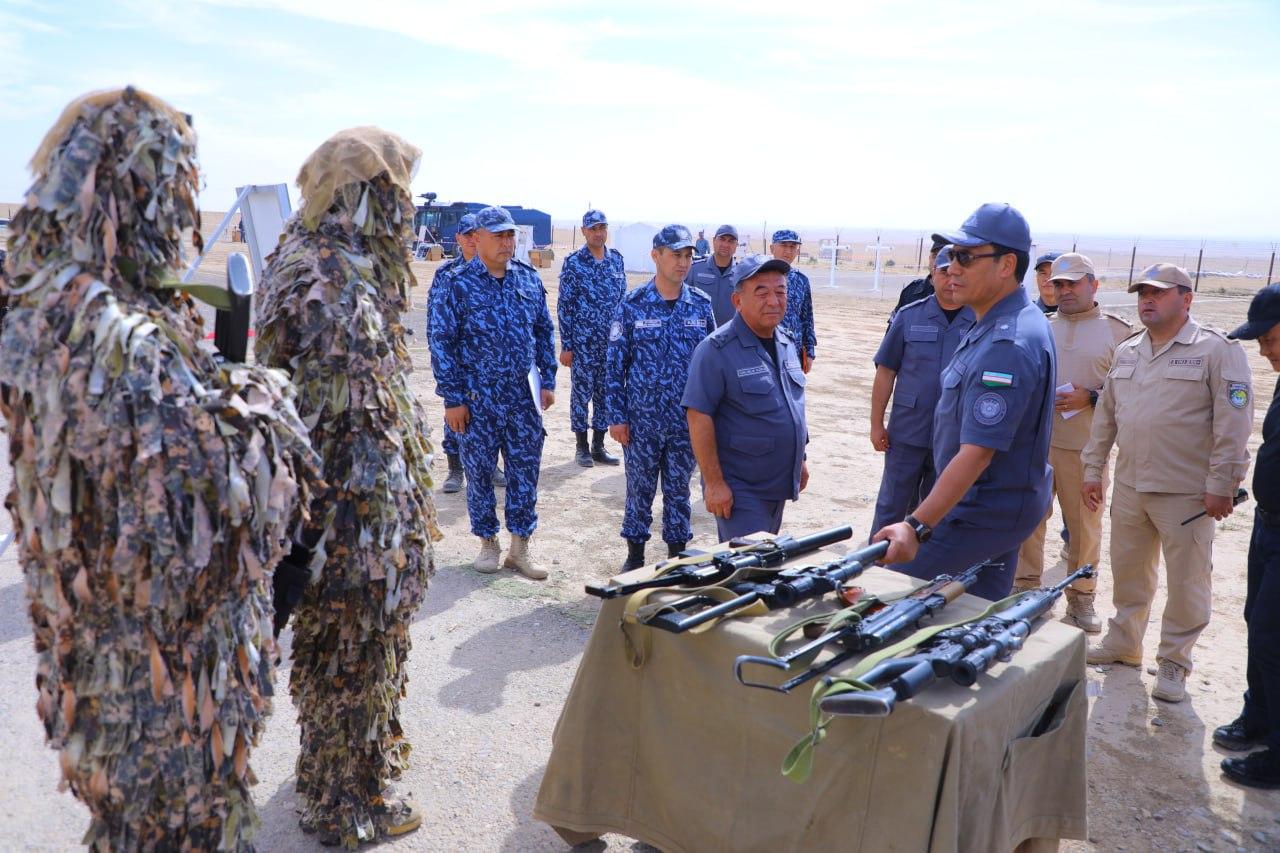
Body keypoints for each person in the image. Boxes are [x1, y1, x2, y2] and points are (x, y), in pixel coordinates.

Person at [0, 87, 321, 850]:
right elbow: (219, 492)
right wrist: (265, 397)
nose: (183, 212)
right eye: (177, 190)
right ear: (136, 188)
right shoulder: (102, 323)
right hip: (159, 695)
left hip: (118, 673)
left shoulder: (44, 305)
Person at [256, 126, 440, 846]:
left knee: (331, 653)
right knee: (356, 660)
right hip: (353, 521)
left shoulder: (301, 256)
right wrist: (361, 536)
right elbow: (349, 424)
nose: (410, 211)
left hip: (326, 514)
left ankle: (326, 775)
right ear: (368, 193)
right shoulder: (338, 277)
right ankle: (347, 805)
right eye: (401, 194)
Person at [1082, 263, 1253, 702]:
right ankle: (1125, 643)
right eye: (1142, 293)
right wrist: (1092, 468)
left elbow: (1233, 425)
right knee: (1129, 572)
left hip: (1188, 494)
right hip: (1131, 486)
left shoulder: (1217, 350)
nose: (1147, 301)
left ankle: (1175, 662)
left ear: (1187, 298)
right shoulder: (1128, 350)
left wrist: (1224, 482)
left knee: (1187, 582)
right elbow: (1106, 419)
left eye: (1158, 293)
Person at [871, 203, 1055, 601]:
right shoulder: (996, 322)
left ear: (1006, 265)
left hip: (980, 507)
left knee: (899, 592)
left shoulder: (1008, 342)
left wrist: (916, 527)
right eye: (952, 255)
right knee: (975, 611)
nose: (952, 266)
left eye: (966, 257)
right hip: (999, 504)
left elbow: (977, 454)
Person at [431, 205, 558, 579]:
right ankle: (488, 542)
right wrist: (452, 399)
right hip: (476, 400)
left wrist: (547, 381)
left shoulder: (528, 280)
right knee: (481, 472)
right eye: (498, 236)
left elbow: (543, 331)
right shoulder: (458, 283)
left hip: (522, 399)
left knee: (524, 471)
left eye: (510, 235)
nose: (506, 242)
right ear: (478, 238)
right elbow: (442, 342)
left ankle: (520, 548)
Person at [1013, 253, 1133, 632]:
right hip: (1036, 443)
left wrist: (1092, 397)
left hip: (1086, 450)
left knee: (1084, 527)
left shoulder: (1118, 332)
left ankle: (1081, 599)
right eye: (1058, 284)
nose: (1063, 290)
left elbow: (1131, 392)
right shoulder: (1039, 326)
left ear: (1093, 285)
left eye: (1073, 284)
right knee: (1028, 519)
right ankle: (1026, 588)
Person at [605, 225, 715, 570]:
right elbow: (614, 366)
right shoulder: (632, 305)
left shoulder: (701, 305)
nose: (683, 263)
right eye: (675, 255)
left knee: (679, 491)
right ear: (656, 256)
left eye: (687, 256)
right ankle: (634, 558)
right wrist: (617, 416)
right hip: (642, 422)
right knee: (639, 490)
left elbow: (714, 366)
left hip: (686, 422)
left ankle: (676, 559)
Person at [683, 254, 809, 540]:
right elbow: (698, 416)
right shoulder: (716, 349)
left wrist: (800, 457)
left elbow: (794, 404)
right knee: (749, 569)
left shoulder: (786, 342)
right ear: (738, 301)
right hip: (741, 489)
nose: (774, 301)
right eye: (761, 293)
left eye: (780, 292)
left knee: (765, 565)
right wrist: (714, 484)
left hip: (777, 484)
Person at [1217, 284, 1280, 788]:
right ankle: (1258, 719)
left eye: (1271, 337)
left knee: (1271, 637)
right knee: (1256, 626)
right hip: (1268, 524)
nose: (1265, 350)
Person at [869, 245, 975, 538]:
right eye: (944, 272)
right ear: (932, 273)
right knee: (892, 505)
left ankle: (923, 574)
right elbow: (886, 371)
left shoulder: (980, 321)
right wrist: (876, 423)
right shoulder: (909, 316)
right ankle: (876, 565)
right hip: (907, 431)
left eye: (958, 273)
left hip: (954, 436)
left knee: (937, 511)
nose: (951, 279)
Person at [431, 213, 505, 493]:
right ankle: (454, 470)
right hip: (459, 365)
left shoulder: (498, 271)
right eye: (468, 235)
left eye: (478, 234)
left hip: (490, 367)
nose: (474, 241)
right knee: (455, 419)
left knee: (495, 418)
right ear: (460, 239)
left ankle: (493, 466)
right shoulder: (447, 275)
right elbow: (435, 326)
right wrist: (443, 363)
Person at [558, 209, 625, 468]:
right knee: (581, 395)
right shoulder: (574, 262)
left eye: (602, 228)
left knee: (605, 395)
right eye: (593, 229)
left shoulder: (616, 261)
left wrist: (622, 343)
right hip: (583, 344)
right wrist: (567, 345)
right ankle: (581, 447)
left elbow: (623, 305)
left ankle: (599, 445)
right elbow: (565, 305)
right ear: (584, 231)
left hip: (609, 345)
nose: (598, 233)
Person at [769, 229, 818, 373]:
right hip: (766, 350)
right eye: (784, 245)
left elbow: (807, 318)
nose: (788, 251)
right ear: (772, 248)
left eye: (792, 247)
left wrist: (809, 352)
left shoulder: (801, 280)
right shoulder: (759, 276)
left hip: (793, 352)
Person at [686, 223, 740, 327]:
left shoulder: (742, 274)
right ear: (714, 241)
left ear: (736, 246)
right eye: (722, 239)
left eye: (731, 241)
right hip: (699, 334)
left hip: (731, 336)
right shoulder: (695, 269)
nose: (726, 244)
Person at [891, 236, 946, 318]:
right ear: (929, 259)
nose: (938, 262)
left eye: (945, 257)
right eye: (935, 256)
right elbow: (894, 328)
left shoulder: (962, 294)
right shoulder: (911, 292)